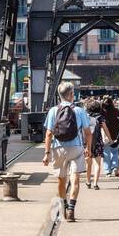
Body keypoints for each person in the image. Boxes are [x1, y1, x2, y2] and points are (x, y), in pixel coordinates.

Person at [43, 80, 92, 222]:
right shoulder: (79, 110)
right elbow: (88, 132)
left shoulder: (53, 110)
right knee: (75, 178)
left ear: (59, 95)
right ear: (71, 94)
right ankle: (71, 209)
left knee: (61, 178)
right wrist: (88, 149)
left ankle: (63, 207)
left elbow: (48, 134)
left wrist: (47, 154)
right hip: (76, 147)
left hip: (59, 148)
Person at [84, 99, 104, 189]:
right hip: (97, 142)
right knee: (97, 164)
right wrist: (110, 139)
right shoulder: (100, 118)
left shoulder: (85, 117)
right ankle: (95, 183)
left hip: (87, 143)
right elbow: (105, 128)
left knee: (88, 164)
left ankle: (88, 181)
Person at [100, 95, 119, 177]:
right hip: (115, 135)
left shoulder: (102, 112)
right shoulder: (116, 111)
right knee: (115, 152)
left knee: (106, 153)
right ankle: (115, 166)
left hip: (105, 135)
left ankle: (107, 171)